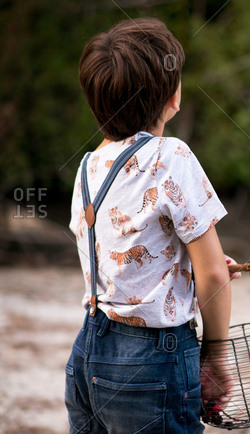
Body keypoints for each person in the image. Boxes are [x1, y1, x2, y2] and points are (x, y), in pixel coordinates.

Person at [66, 17, 236, 433]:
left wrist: (180, 272)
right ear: (173, 97)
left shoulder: (87, 166)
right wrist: (215, 356)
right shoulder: (170, 155)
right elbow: (213, 274)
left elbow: (126, 263)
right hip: (152, 363)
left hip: (89, 351)